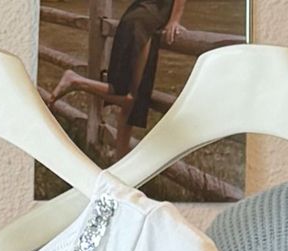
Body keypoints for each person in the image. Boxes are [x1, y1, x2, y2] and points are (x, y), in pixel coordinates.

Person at [51, 0, 188, 162]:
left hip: (142, 21)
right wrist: (174, 20)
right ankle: (76, 81)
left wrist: (171, 20)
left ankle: (119, 162)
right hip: (141, 24)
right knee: (129, 97)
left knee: (131, 101)